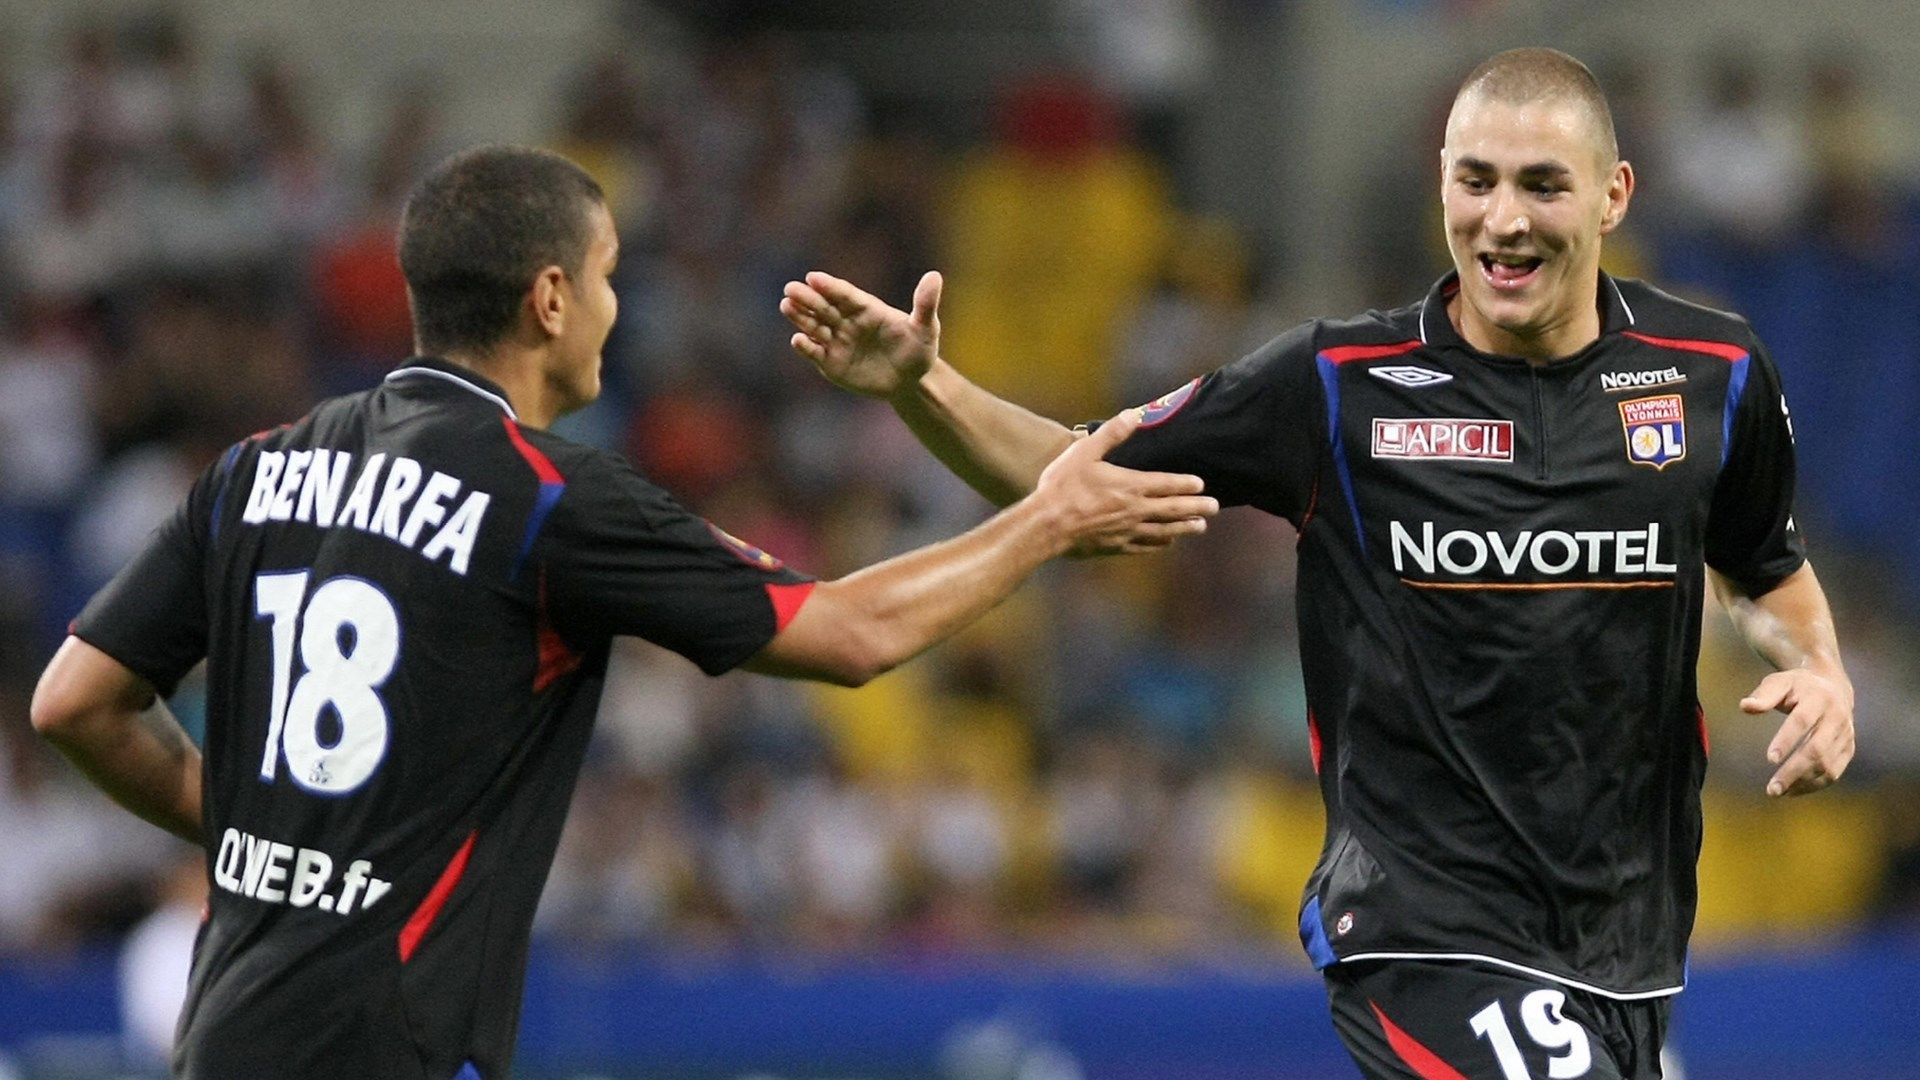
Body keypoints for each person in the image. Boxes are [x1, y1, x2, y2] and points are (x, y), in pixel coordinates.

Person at [28, 145, 1218, 1080]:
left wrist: (251, 829)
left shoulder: (259, 467)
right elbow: (850, 635)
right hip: (391, 1039)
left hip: (226, 1031)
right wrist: (1051, 516)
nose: (613, 303)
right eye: (605, 275)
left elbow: (75, 701)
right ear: (549, 297)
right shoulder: (550, 496)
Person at [778, 47, 1854, 1080]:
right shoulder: (1339, 384)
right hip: (1424, 927)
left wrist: (1820, 669)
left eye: (1543, 185)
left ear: (1614, 195)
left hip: (1628, 937)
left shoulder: (1714, 375)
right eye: (1475, 181)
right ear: (1441, 182)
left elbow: (1763, 567)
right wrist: (925, 387)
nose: (1504, 219)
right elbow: (1076, 475)